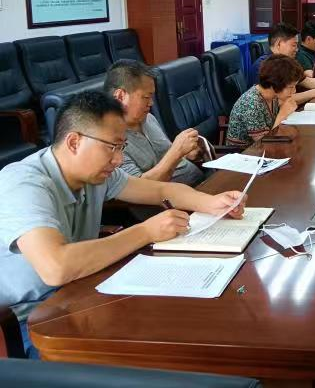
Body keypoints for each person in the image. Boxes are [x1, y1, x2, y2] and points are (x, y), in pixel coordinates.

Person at [0, 91, 245, 358]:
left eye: (121, 147)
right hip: (26, 319)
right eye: (111, 147)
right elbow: (56, 268)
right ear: (74, 142)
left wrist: (212, 203)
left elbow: (161, 190)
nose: (118, 160)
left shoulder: (95, 174)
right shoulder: (23, 184)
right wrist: (146, 231)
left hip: (77, 293)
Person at [105, 60, 205, 185]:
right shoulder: (109, 141)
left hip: (200, 182)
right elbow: (140, 188)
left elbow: (165, 157)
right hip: (176, 195)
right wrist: (177, 151)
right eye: (146, 97)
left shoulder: (149, 118)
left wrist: (185, 154)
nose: (151, 103)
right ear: (120, 96)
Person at [248, 23, 315, 103]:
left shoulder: (287, 62)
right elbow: (277, 101)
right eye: (293, 45)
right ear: (278, 44)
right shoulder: (263, 67)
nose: (297, 49)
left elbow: (306, 81)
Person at [227, 55, 305, 147]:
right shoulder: (252, 104)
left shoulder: (272, 96)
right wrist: (282, 115)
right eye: (291, 87)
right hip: (244, 152)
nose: (294, 91)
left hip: (264, 149)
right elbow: (266, 144)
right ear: (275, 84)